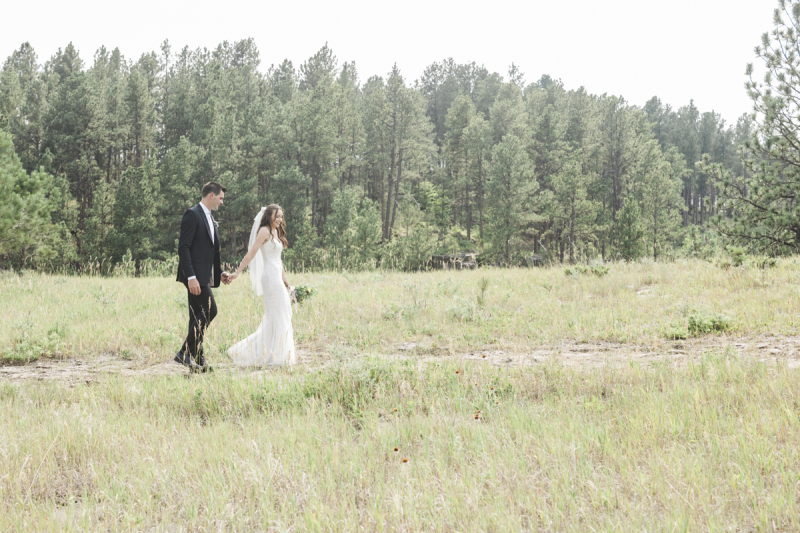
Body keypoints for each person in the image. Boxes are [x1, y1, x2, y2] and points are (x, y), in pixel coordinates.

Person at [226, 204, 296, 366]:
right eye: (276, 216)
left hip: (277, 276)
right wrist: (237, 273)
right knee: (277, 313)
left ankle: (278, 350)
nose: (279, 220)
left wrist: (286, 281)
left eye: (281, 217)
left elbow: (278, 260)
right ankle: (276, 354)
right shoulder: (264, 231)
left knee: (282, 312)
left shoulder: (275, 232)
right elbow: (251, 253)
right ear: (269, 216)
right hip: (270, 278)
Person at [174, 182, 232, 373]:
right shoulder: (193, 214)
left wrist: (220, 271)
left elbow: (209, 251)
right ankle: (185, 352)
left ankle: (198, 360)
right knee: (209, 311)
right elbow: (184, 247)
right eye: (221, 198)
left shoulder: (210, 217)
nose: (222, 202)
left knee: (195, 317)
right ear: (211, 196)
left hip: (205, 275)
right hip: (195, 276)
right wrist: (191, 276)